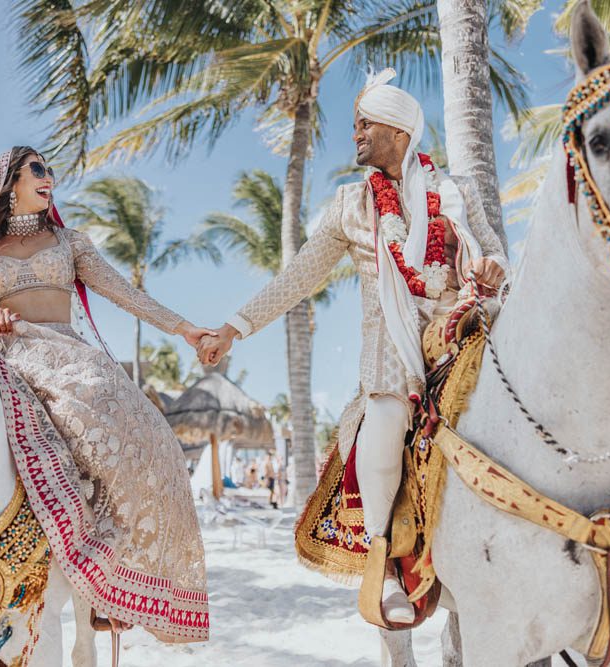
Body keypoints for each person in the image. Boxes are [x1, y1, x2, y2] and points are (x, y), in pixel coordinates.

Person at [197, 69, 507, 624]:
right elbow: (297, 278)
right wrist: (234, 328)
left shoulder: (456, 192)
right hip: (393, 353)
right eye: (356, 124)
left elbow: (494, 254)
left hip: (461, 333)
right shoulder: (351, 205)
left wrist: (489, 266)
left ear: (400, 131)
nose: (356, 133)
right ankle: (385, 560)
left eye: (365, 123)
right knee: (385, 421)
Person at [0, 146, 211, 640]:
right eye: (38, 170)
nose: (49, 177)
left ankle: (109, 579)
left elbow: (124, 292)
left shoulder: (69, 242)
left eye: (49, 169)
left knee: (147, 431)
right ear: (9, 185)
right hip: (11, 355)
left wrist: (185, 329)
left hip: (71, 356)